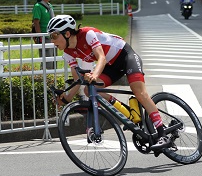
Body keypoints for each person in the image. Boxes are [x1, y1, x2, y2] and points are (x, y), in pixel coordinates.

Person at [48, 15, 174, 151]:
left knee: (139, 92)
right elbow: (78, 79)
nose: (52, 40)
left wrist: (95, 75)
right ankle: (128, 114)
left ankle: (163, 134)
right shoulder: (68, 53)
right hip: (111, 66)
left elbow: (101, 57)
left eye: (54, 36)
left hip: (125, 56)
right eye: (50, 36)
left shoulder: (87, 34)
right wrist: (66, 98)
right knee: (89, 90)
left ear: (67, 33)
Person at [32, 0, 56, 70]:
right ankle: (45, 78)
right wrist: (40, 36)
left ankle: (53, 77)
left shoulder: (49, 6)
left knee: (53, 58)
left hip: (52, 36)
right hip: (44, 37)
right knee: (47, 59)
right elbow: (36, 22)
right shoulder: (38, 6)